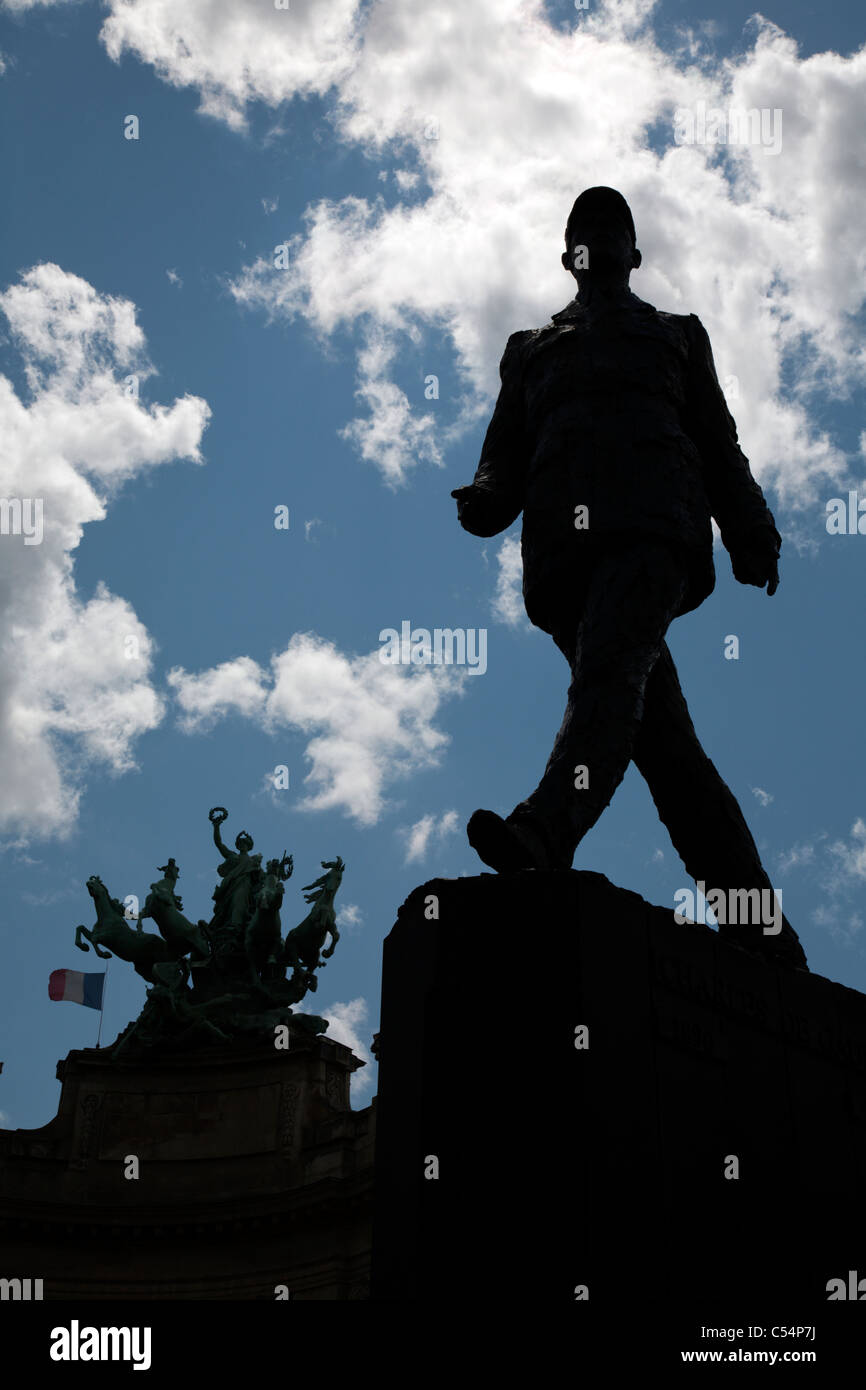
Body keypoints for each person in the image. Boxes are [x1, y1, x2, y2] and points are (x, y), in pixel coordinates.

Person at [452, 186, 807, 969]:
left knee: (608, 683)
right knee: (669, 753)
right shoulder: (529, 348)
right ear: (566, 253)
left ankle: (544, 829)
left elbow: (718, 441)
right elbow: (504, 451)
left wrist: (751, 530)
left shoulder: (677, 336)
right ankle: (760, 928)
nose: (598, 240)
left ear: (635, 252)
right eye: (584, 230)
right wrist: (482, 499)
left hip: (653, 529)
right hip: (560, 557)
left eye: (613, 229)